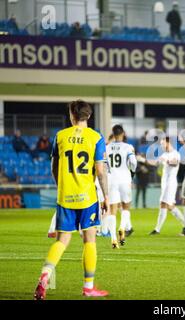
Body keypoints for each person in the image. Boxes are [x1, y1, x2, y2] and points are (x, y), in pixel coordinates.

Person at [34, 100, 110, 300]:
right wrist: (106, 196)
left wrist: (62, 187)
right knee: (89, 240)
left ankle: (46, 276)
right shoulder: (96, 137)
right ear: (89, 116)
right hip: (87, 197)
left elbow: (53, 167)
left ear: (71, 115)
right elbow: (101, 172)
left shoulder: (60, 136)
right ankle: (88, 287)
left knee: (62, 241)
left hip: (65, 197)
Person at [138, 137, 185, 235]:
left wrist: (166, 160)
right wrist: (142, 159)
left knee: (169, 205)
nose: (162, 146)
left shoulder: (175, 153)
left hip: (171, 183)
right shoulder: (164, 154)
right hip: (165, 183)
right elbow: (154, 163)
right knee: (163, 204)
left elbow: (175, 163)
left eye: (163, 143)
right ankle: (157, 229)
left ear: (168, 143)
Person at [105, 125, 137, 249]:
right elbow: (133, 162)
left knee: (112, 211)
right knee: (126, 207)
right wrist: (132, 172)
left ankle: (113, 239)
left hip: (112, 180)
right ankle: (122, 228)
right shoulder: (128, 147)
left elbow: (104, 164)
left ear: (113, 134)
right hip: (125, 180)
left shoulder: (107, 148)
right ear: (123, 133)